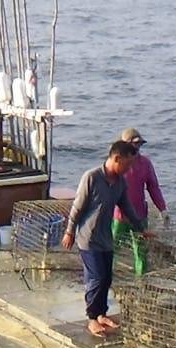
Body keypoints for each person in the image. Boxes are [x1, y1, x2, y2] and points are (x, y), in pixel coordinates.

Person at [62, 140, 149, 337]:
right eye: (127, 165)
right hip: (88, 238)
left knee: (107, 278)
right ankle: (92, 318)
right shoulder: (92, 177)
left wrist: (140, 228)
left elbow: (127, 207)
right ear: (116, 158)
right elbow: (77, 207)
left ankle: (101, 314)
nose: (128, 170)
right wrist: (70, 231)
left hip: (105, 238)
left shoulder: (120, 183)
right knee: (97, 278)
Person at [112, 127, 169, 275]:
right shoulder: (118, 164)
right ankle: (107, 278)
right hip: (120, 216)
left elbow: (153, 187)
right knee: (112, 248)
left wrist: (162, 209)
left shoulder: (145, 163)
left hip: (140, 215)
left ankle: (141, 281)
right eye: (133, 144)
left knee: (141, 252)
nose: (137, 148)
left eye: (139, 144)